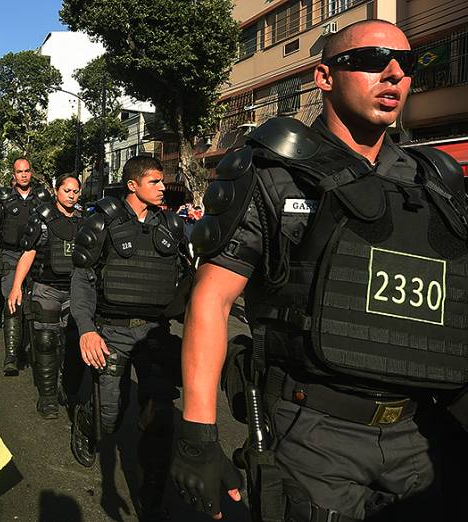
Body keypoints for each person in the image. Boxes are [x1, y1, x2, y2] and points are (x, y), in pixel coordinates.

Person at [171, 20, 468, 521]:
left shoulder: (433, 183)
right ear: (324, 77)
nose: (394, 75)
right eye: (373, 60)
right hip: (313, 432)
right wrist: (198, 436)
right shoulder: (272, 172)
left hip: (421, 432)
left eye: (407, 64)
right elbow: (212, 298)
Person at [70, 155, 192, 516]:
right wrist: (87, 330)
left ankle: (152, 492)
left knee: (160, 417)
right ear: (133, 185)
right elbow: (83, 279)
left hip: (156, 333)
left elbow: (191, 277)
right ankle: (85, 418)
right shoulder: (101, 223)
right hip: (112, 331)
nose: (162, 187)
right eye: (154, 182)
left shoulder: (172, 224)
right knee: (110, 414)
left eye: (162, 181)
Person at [6, 173, 85, 418]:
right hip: (46, 288)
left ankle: (68, 389)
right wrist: (16, 286)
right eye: (66, 191)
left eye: (75, 191)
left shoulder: (85, 220)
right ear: (56, 191)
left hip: (76, 290)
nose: (71, 195)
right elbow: (28, 253)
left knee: (74, 344)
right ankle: (48, 397)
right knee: (46, 343)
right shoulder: (41, 218)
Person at [0, 159, 50, 376]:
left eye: (27, 171)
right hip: (10, 256)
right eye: (19, 172)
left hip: (37, 258)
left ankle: (38, 352)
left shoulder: (42, 198)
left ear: (32, 172)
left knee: (38, 306)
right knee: (12, 301)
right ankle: (11, 355)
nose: (24, 175)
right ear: (14, 174)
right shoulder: (4, 198)